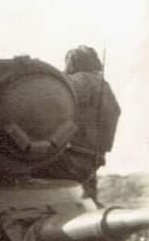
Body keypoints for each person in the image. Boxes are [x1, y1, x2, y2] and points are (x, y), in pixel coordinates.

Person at [36, 45, 121, 200]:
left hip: (70, 158)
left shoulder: (81, 80)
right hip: (92, 160)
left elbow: (54, 95)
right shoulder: (103, 85)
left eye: (68, 61)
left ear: (74, 62)